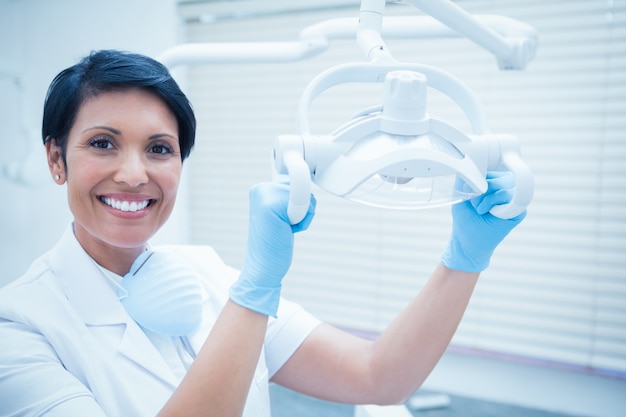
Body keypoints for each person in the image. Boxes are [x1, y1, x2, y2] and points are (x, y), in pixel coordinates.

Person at [0, 50, 526, 417]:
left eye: (159, 149)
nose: (135, 174)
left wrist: (465, 258)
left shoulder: (207, 276)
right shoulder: (20, 331)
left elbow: (377, 377)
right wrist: (255, 289)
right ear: (55, 159)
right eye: (102, 143)